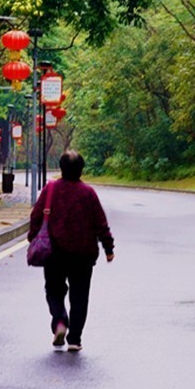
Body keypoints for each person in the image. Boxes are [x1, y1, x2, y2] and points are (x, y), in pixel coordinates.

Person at [27, 150, 114, 352]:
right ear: (81, 170)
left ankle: (59, 321)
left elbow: (36, 216)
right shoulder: (88, 193)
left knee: (54, 291)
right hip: (82, 254)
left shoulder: (50, 190)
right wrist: (108, 247)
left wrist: (33, 237)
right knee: (79, 296)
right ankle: (74, 339)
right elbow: (101, 223)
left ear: (62, 168)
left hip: (55, 253)